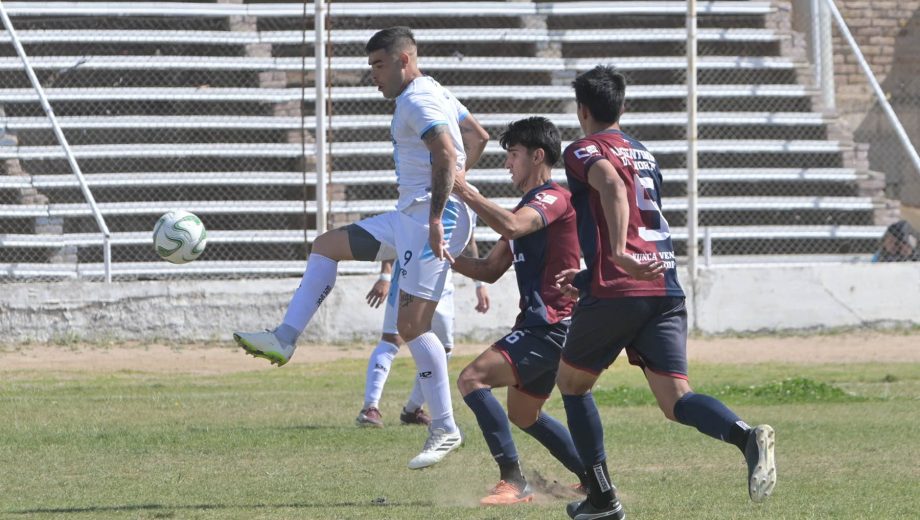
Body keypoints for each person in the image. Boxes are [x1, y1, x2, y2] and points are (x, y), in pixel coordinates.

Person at [233, 26, 490, 470]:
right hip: (409, 216)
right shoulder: (438, 92)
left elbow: (448, 153)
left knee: (411, 326)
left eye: (378, 65)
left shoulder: (417, 99)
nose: (373, 75)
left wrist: (437, 211)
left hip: (430, 218)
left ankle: (444, 426)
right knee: (326, 245)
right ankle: (284, 339)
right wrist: (451, 187)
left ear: (404, 61)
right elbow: (478, 137)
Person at [554, 65, 776, 519]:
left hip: (620, 288)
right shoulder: (644, 152)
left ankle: (601, 499)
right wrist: (586, 276)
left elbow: (611, 186)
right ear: (622, 106)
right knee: (677, 400)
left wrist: (614, 255)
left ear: (582, 110)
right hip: (664, 287)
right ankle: (745, 436)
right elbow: (639, 220)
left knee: (572, 386)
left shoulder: (582, 149)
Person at [450, 117, 588, 505]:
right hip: (542, 326)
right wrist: (444, 256)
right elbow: (490, 270)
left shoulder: (552, 199)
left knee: (472, 379)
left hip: (549, 327)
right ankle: (593, 478)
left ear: (537, 156)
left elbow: (511, 227)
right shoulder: (526, 208)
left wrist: (464, 191)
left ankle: (514, 480)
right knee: (525, 414)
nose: (507, 163)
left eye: (513, 155)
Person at [357, 242, 490, 428]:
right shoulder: (417, 211)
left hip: (442, 283)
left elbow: (470, 242)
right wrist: (385, 276)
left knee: (443, 349)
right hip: (406, 277)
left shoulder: (470, 211)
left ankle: (412, 409)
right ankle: (370, 408)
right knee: (392, 339)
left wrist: (480, 284)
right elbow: (393, 236)